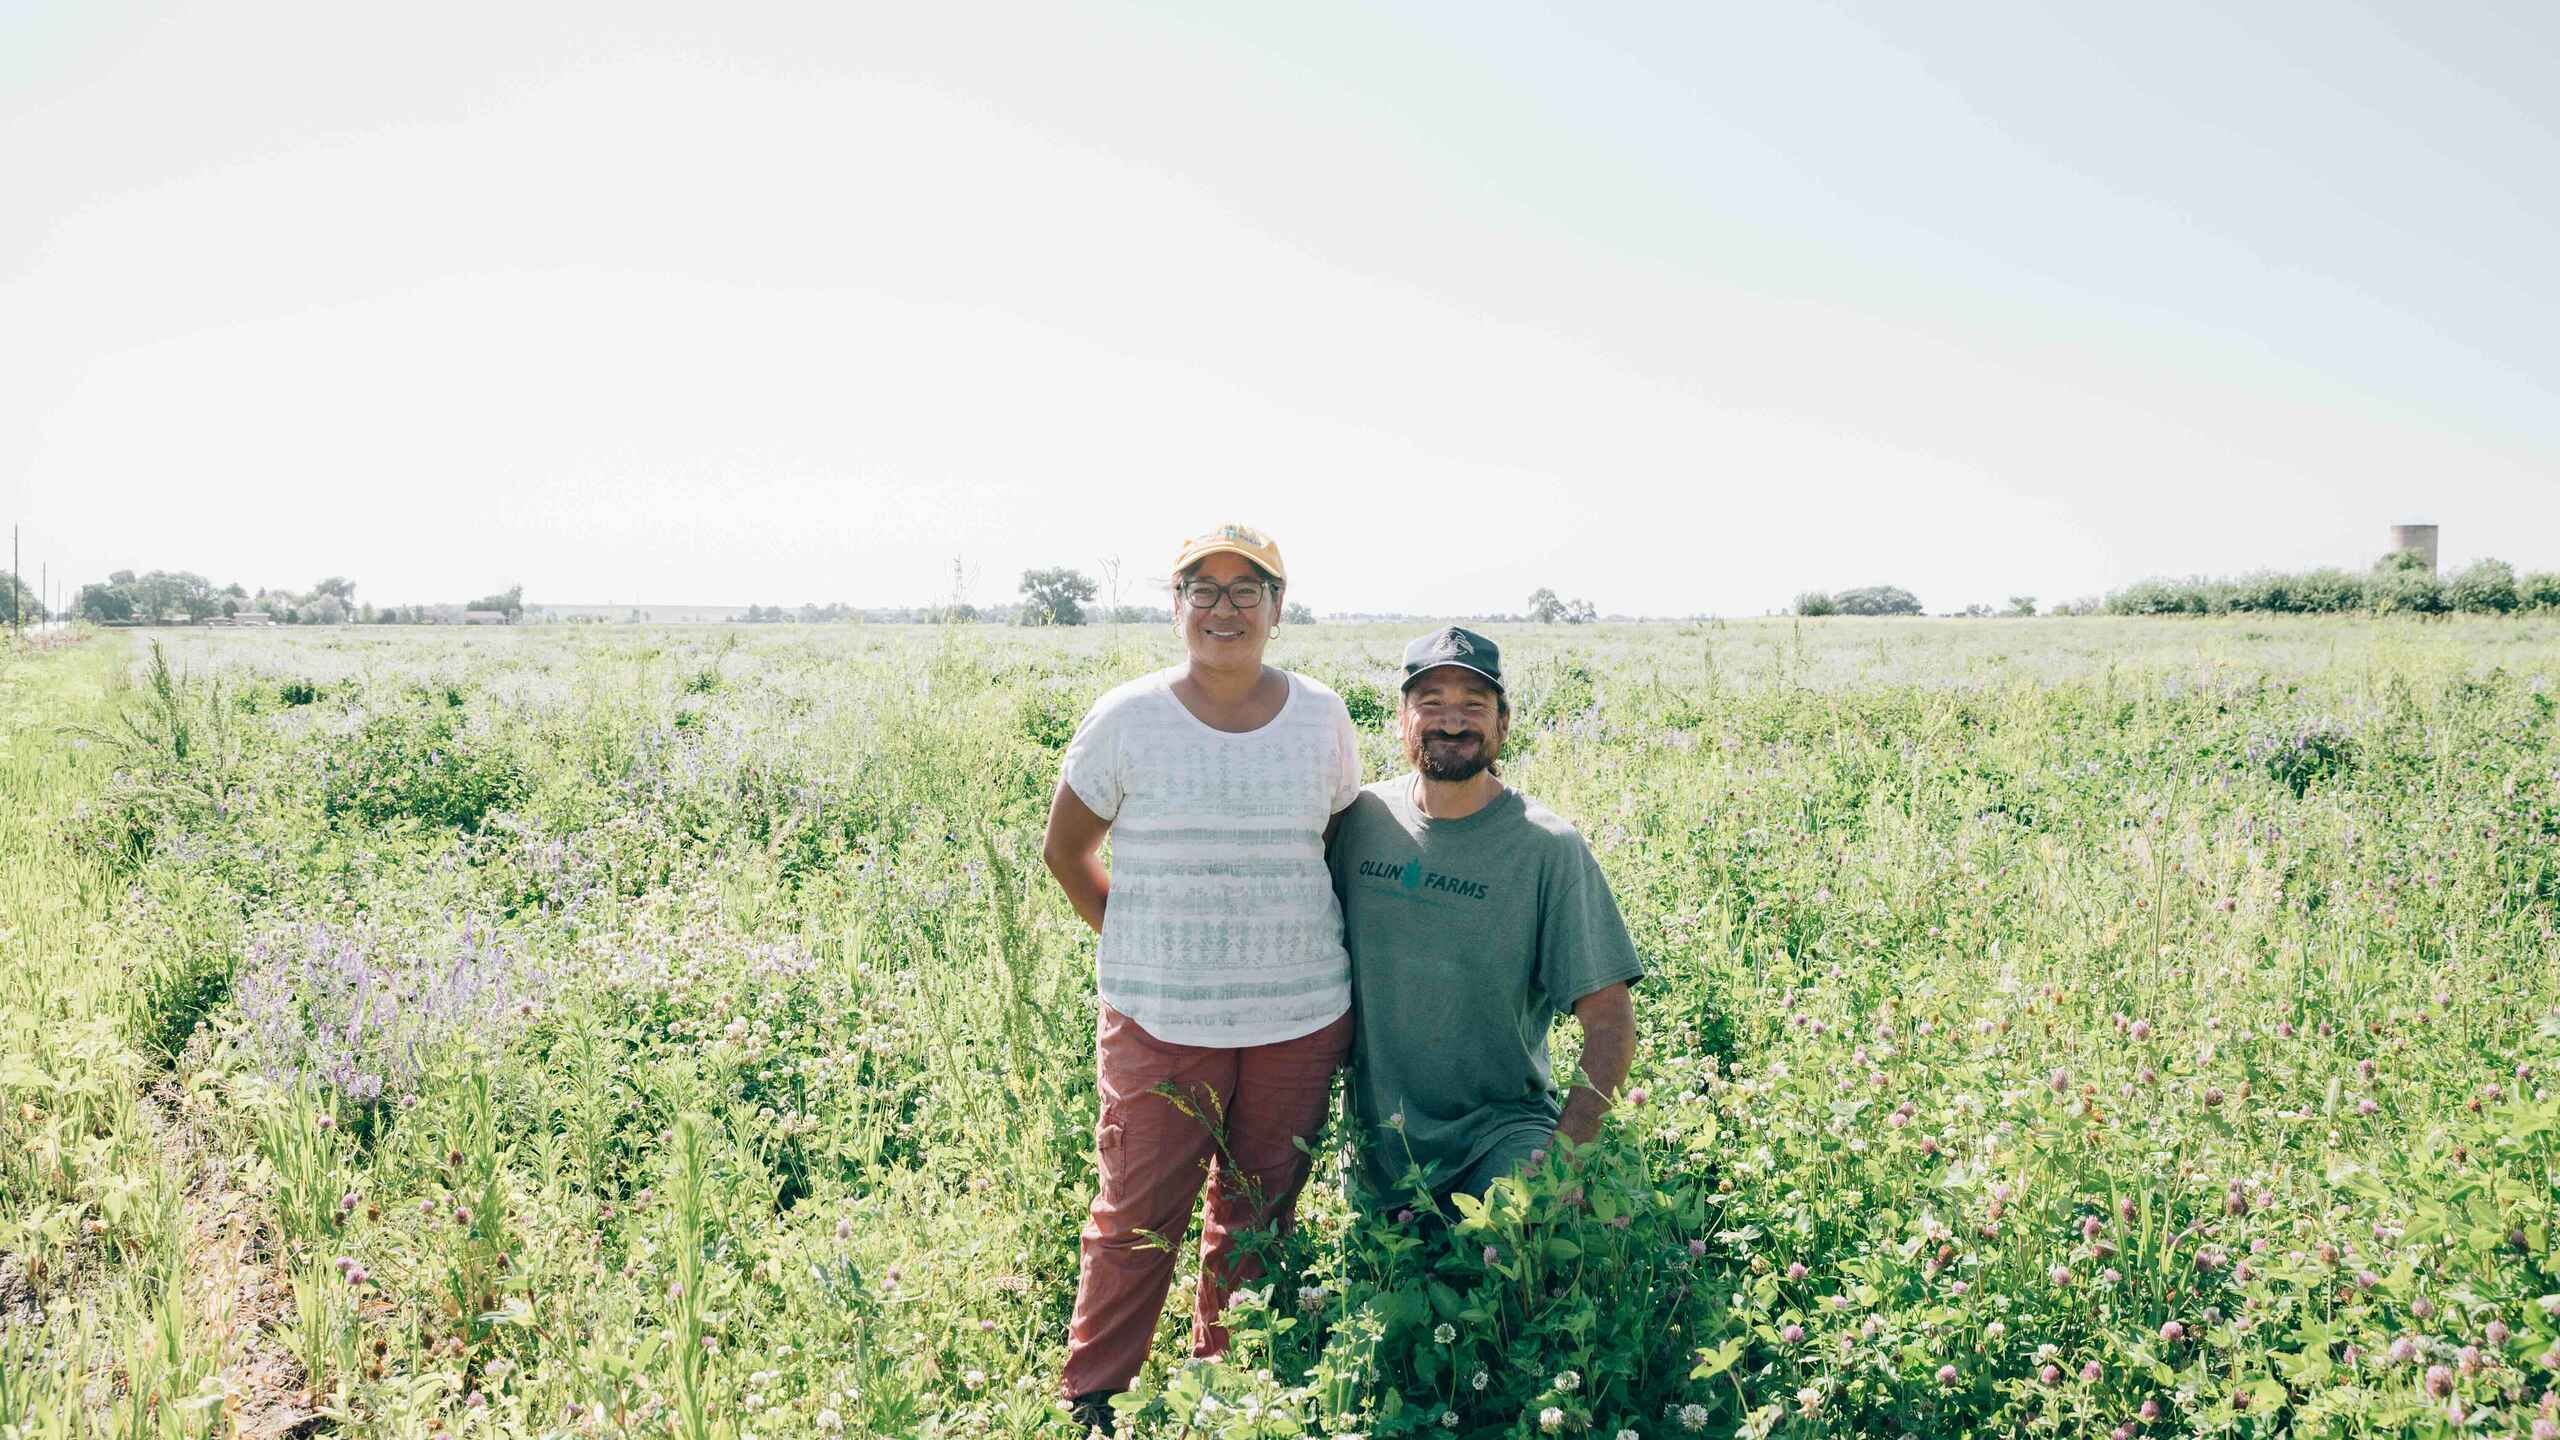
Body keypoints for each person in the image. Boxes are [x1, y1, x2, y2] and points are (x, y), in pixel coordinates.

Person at [1043, 523, 1363, 1435]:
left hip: (1298, 1017)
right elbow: (1066, 853)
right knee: (1138, 1211)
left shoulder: (1323, 716)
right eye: (1204, 588)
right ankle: (1094, 1397)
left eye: (1245, 588)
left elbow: (1334, 851)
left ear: (1277, 606)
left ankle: (1226, 1386)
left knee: (1258, 1209)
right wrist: (1140, 941)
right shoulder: (1127, 717)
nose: (1224, 607)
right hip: (1158, 1016)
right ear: (1176, 604)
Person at [1328, 625, 1643, 1213]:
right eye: (1432, 704)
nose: (1453, 721)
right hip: (1379, 1148)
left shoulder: (1546, 848)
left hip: (1500, 1134)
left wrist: (1564, 1162)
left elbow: (1610, 1022)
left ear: (1503, 722)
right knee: (1378, 1290)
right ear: (1401, 720)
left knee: (1521, 1250)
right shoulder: (1358, 820)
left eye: (1474, 705)